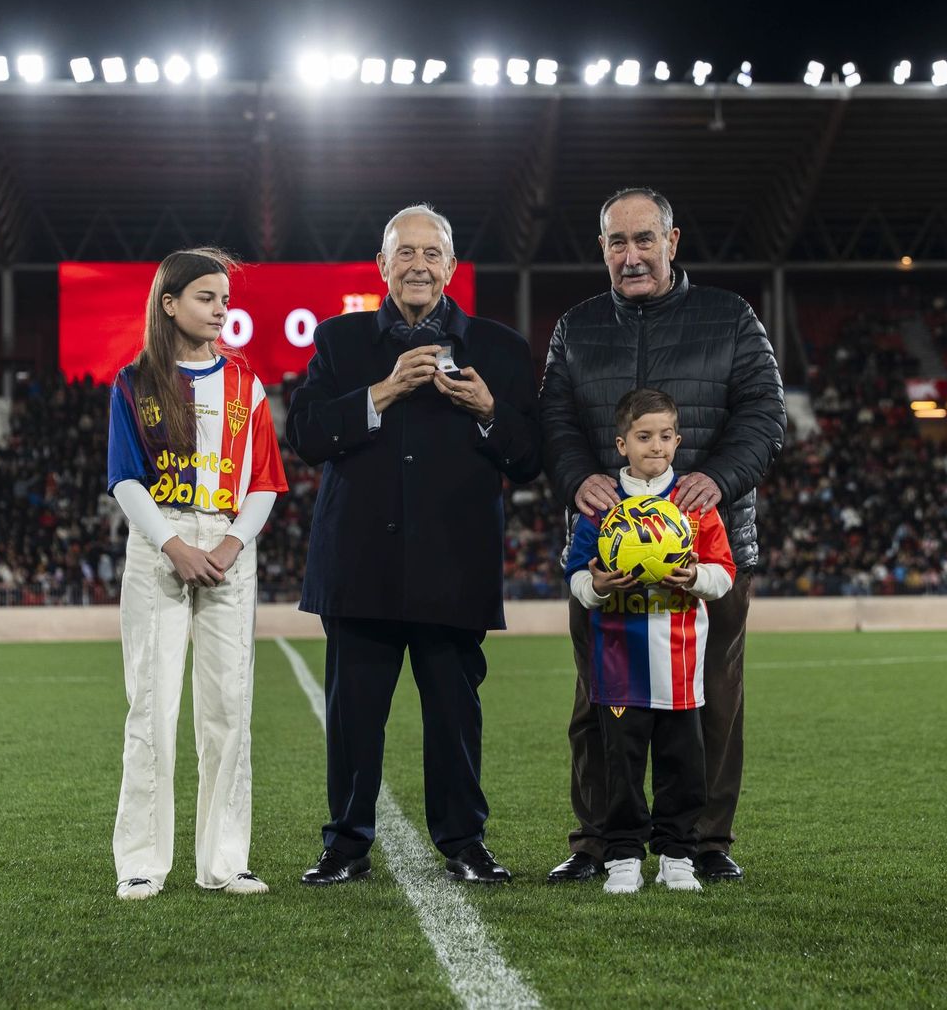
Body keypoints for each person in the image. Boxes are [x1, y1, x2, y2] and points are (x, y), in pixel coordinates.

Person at [287, 204, 542, 886]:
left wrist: (491, 410)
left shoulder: (501, 349)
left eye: (433, 254)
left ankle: (465, 842)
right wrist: (382, 391)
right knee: (353, 720)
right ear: (382, 265)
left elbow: (530, 459)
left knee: (455, 720)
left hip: (454, 570)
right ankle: (345, 846)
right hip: (360, 567)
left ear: (452, 268)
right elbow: (304, 436)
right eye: (406, 253)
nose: (419, 265)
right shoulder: (339, 343)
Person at [541, 187, 785, 884]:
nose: (631, 255)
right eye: (617, 242)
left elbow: (765, 417)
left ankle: (705, 843)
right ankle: (597, 843)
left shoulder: (730, 318)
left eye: (644, 239)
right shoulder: (576, 327)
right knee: (598, 703)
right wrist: (576, 477)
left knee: (711, 700)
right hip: (603, 553)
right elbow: (553, 419)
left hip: (708, 550)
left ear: (672, 242)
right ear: (602, 250)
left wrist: (719, 479)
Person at [105, 248, 288, 901]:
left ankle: (224, 861)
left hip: (229, 549)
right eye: (207, 298)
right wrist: (172, 543)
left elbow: (264, 481)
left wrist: (234, 544)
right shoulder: (133, 383)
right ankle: (142, 861)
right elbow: (124, 478)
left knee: (228, 710)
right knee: (150, 707)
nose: (220, 310)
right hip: (161, 544)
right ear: (169, 302)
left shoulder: (248, 384)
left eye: (225, 300)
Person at [564, 389, 736, 893]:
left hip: (681, 663)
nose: (655, 446)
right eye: (644, 437)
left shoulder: (692, 504)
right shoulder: (601, 506)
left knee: (683, 766)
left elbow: (724, 574)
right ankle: (622, 855)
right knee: (621, 764)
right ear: (622, 444)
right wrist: (596, 586)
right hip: (619, 663)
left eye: (665, 437)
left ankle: (677, 853)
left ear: (678, 441)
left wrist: (693, 578)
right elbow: (576, 575)